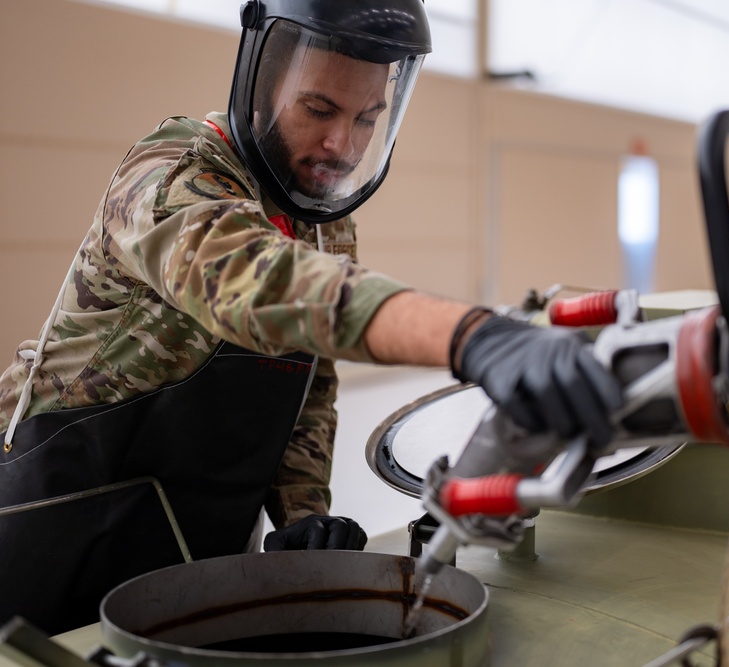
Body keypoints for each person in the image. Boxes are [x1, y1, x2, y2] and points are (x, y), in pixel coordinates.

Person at [0, 0, 622, 634]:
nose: (342, 146)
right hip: (46, 535)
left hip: (184, 564)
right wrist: (473, 336)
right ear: (261, 85)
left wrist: (301, 516)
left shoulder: (319, 220)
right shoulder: (172, 176)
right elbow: (260, 286)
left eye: (366, 119)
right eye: (320, 110)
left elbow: (304, 384)